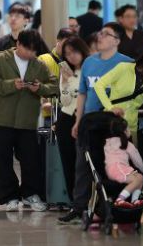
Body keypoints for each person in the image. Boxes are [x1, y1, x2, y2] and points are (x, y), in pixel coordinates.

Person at [62, 22, 133, 222]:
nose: (99, 37)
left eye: (106, 34)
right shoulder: (89, 62)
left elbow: (131, 98)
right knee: (83, 166)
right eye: (100, 33)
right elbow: (82, 94)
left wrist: (127, 123)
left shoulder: (127, 64)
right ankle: (79, 207)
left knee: (112, 166)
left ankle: (111, 207)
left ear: (117, 40)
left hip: (113, 125)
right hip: (89, 122)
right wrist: (78, 121)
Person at [0, 30, 58, 212]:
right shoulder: (0, 60)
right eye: (27, 49)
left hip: (27, 120)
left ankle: (30, 194)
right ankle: (10, 196)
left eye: (34, 50)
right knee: (2, 160)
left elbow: (54, 86)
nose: (30, 53)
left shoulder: (39, 65)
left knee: (30, 159)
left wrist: (39, 88)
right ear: (18, 44)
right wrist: (10, 85)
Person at [93, 42, 143, 136]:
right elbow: (99, 85)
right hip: (111, 123)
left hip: (131, 128)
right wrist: (110, 108)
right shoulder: (124, 67)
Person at [54, 36, 90, 223]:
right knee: (68, 164)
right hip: (66, 119)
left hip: (84, 118)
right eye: (67, 54)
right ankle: (74, 205)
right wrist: (66, 82)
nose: (72, 56)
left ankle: (88, 204)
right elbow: (65, 100)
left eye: (74, 52)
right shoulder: (66, 71)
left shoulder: (90, 68)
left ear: (82, 50)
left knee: (84, 164)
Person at [104, 116, 143, 208]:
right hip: (119, 169)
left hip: (112, 171)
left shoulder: (107, 142)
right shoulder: (127, 144)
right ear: (125, 131)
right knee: (137, 179)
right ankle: (120, 199)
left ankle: (135, 200)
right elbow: (137, 160)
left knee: (140, 177)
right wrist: (142, 169)